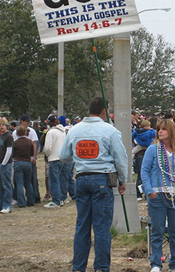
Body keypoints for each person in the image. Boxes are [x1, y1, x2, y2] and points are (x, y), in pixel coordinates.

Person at [59, 97, 128, 272]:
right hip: (102, 180)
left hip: (81, 179)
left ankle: (78, 267)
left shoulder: (74, 130)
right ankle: (102, 267)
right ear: (104, 111)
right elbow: (121, 159)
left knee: (82, 225)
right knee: (101, 227)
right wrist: (122, 180)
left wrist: (80, 158)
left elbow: (64, 156)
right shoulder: (110, 131)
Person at [141, 119, 175, 272]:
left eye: (164, 129)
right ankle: (156, 264)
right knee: (157, 230)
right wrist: (150, 191)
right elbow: (144, 171)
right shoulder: (153, 149)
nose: (160, 132)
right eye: (159, 129)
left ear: (172, 132)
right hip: (158, 195)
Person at [13, 115, 40, 203]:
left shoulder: (16, 141)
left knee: (21, 181)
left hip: (19, 160)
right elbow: (33, 146)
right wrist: (33, 156)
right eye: (26, 122)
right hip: (27, 160)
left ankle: (21, 200)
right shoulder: (28, 140)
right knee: (28, 182)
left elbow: (12, 151)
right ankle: (31, 199)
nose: (28, 123)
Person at [44, 115, 70, 208]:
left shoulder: (51, 132)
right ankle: (63, 198)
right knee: (62, 179)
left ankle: (56, 201)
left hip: (53, 158)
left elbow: (47, 147)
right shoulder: (63, 132)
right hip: (62, 158)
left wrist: (48, 155)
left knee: (54, 180)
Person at [132, 120, 156, 200]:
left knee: (140, 175)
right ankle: (146, 193)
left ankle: (138, 194)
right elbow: (155, 134)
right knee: (148, 175)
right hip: (147, 149)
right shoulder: (150, 132)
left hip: (139, 149)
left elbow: (132, 136)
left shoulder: (137, 131)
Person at [0, 119, 14, 214]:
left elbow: (9, 151)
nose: (1, 127)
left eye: (3, 125)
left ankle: (7, 205)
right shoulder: (1, 135)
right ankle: (0, 205)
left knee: (6, 185)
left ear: (6, 125)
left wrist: (3, 163)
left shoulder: (9, 136)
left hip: (5, 164)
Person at [13, 125, 35, 208]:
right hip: (27, 162)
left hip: (18, 162)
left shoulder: (15, 143)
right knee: (28, 183)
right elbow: (32, 153)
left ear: (17, 133)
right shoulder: (29, 141)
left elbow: (12, 154)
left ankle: (21, 202)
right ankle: (30, 201)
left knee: (19, 184)